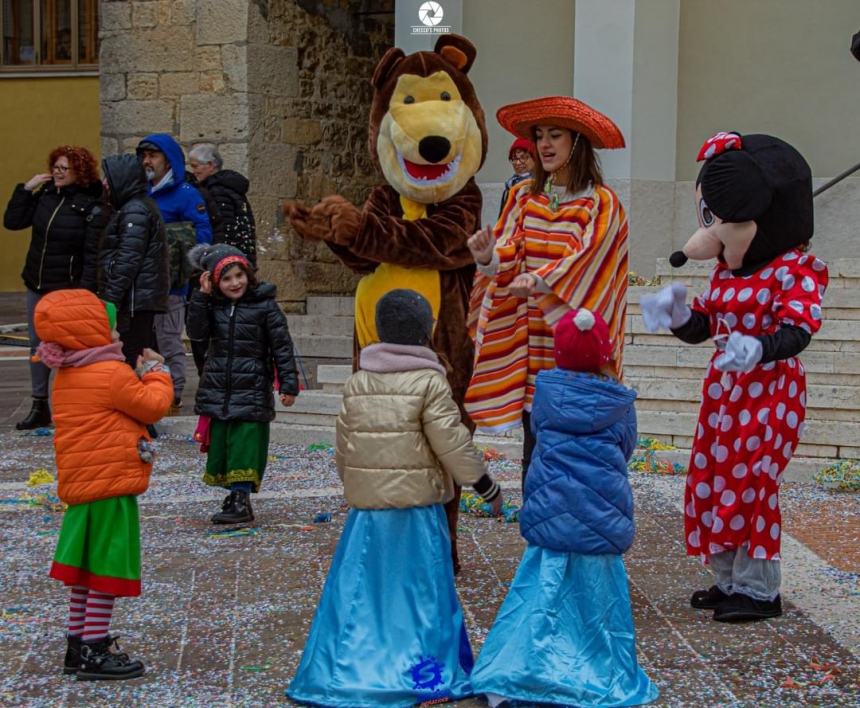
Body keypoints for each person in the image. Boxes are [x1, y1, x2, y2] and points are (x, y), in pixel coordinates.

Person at [642, 132, 828, 622]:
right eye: (709, 219)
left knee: (753, 487)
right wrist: (679, 316)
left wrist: (761, 348)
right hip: (725, 396)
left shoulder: (793, 270)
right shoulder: (726, 273)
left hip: (771, 396)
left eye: (724, 221)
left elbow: (799, 329)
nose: (710, 237)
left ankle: (760, 590)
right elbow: (706, 326)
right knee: (714, 478)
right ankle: (729, 581)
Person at [288, 289, 503, 707]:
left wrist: (357, 487)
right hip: (417, 512)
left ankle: (343, 671)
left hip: (367, 515)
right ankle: (424, 678)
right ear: (427, 332)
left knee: (360, 595)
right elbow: (452, 442)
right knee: (423, 594)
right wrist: (484, 485)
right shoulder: (428, 382)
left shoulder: (358, 381)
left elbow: (343, 446)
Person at [470, 308, 658, 707]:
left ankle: (531, 666)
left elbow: (537, 435)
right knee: (595, 605)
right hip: (599, 517)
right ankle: (590, 664)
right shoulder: (620, 404)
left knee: (541, 598)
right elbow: (626, 448)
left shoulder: (545, 396)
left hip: (552, 515)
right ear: (606, 354)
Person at [465, 96, 629, 490]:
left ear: (578, 142)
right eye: (540, 136)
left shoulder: (601, 202)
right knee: (533, 446)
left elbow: (593, 258)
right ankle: (535, 534)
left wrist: (541, 282)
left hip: (575, 348)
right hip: (529, 343)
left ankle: (572, 528)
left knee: (572, 447)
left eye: (556, 135)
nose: (545, 145)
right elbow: (512, 246)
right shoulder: (523, 197)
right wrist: (489, 258)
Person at [34, 288, 173, 680]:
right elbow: (151, 406)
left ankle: (76, 645)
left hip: (83, 487)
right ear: (89, 332)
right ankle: (96, 649)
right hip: (110, 484)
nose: (118, 335)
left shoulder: (64, 373)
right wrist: (157, 374)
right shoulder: (110, 373)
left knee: (85, 572)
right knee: (107, 569)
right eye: (110, 328)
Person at [186, 244, 298, 524]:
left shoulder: (265, 306)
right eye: (226, 278)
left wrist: (288, 383)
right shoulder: (213, 307)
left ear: (248, 274)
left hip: (252, 387)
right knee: (225, 443)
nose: (235, 283)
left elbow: (282, 346)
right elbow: (197, 332)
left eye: (239, 275)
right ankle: (236, 497)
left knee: (245, 444)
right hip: (221, 387)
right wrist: (201, 298)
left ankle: (240, 497)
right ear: (213, 282)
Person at [3, 145, 105, 430]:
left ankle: (72, 405)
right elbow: (12, 222)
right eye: (55, 168)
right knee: (37, 346)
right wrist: (26, 189)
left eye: (64, 169)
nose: (58, 174)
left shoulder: (90, 207)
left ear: (79, 173)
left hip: (65, 289)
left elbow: (92, 255)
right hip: (36, 281)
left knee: (68, 348)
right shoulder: (45, 196)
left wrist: (84, 292)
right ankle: (39, 403)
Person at [137, 134, 213, 411]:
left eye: (153, 156)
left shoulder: (186, 195)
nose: (147, 161)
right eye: (144, 156)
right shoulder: (139, 191)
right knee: (142, 341)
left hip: (171, 284)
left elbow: (202, 235)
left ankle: (174, 393)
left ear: (168, 161)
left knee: (169, 340)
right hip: (141, 282)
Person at [98, 154, 170, 367]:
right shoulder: (133, 208)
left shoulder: (135, 210)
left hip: (132, 303)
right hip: (135, 300)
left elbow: (128, 259)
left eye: (108, 179)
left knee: (133, 358)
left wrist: (110, 296)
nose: (104, 184)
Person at [188, 143, 257, 264]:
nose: (194, 172)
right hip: (239, 256)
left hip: (227, 259)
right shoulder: (229, 187)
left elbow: (224, 229)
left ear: (210, 165)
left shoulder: (217, 191)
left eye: (195, 166)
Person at [498, 137, 535, 217]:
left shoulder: (539, 186)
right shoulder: (510, 185)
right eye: (514, 158)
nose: (518, 163)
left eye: (524, 157)